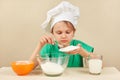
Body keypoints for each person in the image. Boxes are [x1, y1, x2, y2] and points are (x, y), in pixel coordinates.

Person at [30, 1, 94, 69]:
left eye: (68, 32)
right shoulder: (49, 47)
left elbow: (99, 65)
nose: (63, 36)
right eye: (59, 33)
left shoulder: (78, 45)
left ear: (73, 32)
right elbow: (30, 66)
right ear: (53, 33)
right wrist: (40, 45)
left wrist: (82, 52)